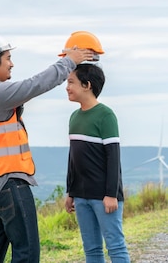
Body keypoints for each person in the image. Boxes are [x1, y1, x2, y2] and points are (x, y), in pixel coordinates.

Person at [0, 33, 94, 263]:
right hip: (9, 184)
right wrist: (70, 60)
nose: (12, 63)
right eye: (8, 57)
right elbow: (35, 85)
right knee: (27, 252)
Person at [64, 63, 130, 262]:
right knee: (91, 250)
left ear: (87, 85)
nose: (67, 87)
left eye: (71, 82)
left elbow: (113, 157)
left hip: (104, 196)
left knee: (115, 246)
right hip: (81, 196)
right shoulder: (74, 117)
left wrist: (111, 194)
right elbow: (72, 158)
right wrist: (70, 192)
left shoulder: (106, 115)